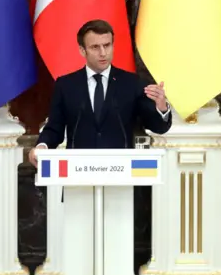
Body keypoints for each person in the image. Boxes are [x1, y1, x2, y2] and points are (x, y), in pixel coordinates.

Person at [28, 19, 171, 166]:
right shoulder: (66, 85)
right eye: (95, 47)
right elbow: (54, 129)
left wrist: (161, 108)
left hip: (121, 171)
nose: (103, 53)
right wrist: (41, 146)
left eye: (107, 45)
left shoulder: (132, 83)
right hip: (77, 171)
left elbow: (158, 127)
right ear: (82, 50)